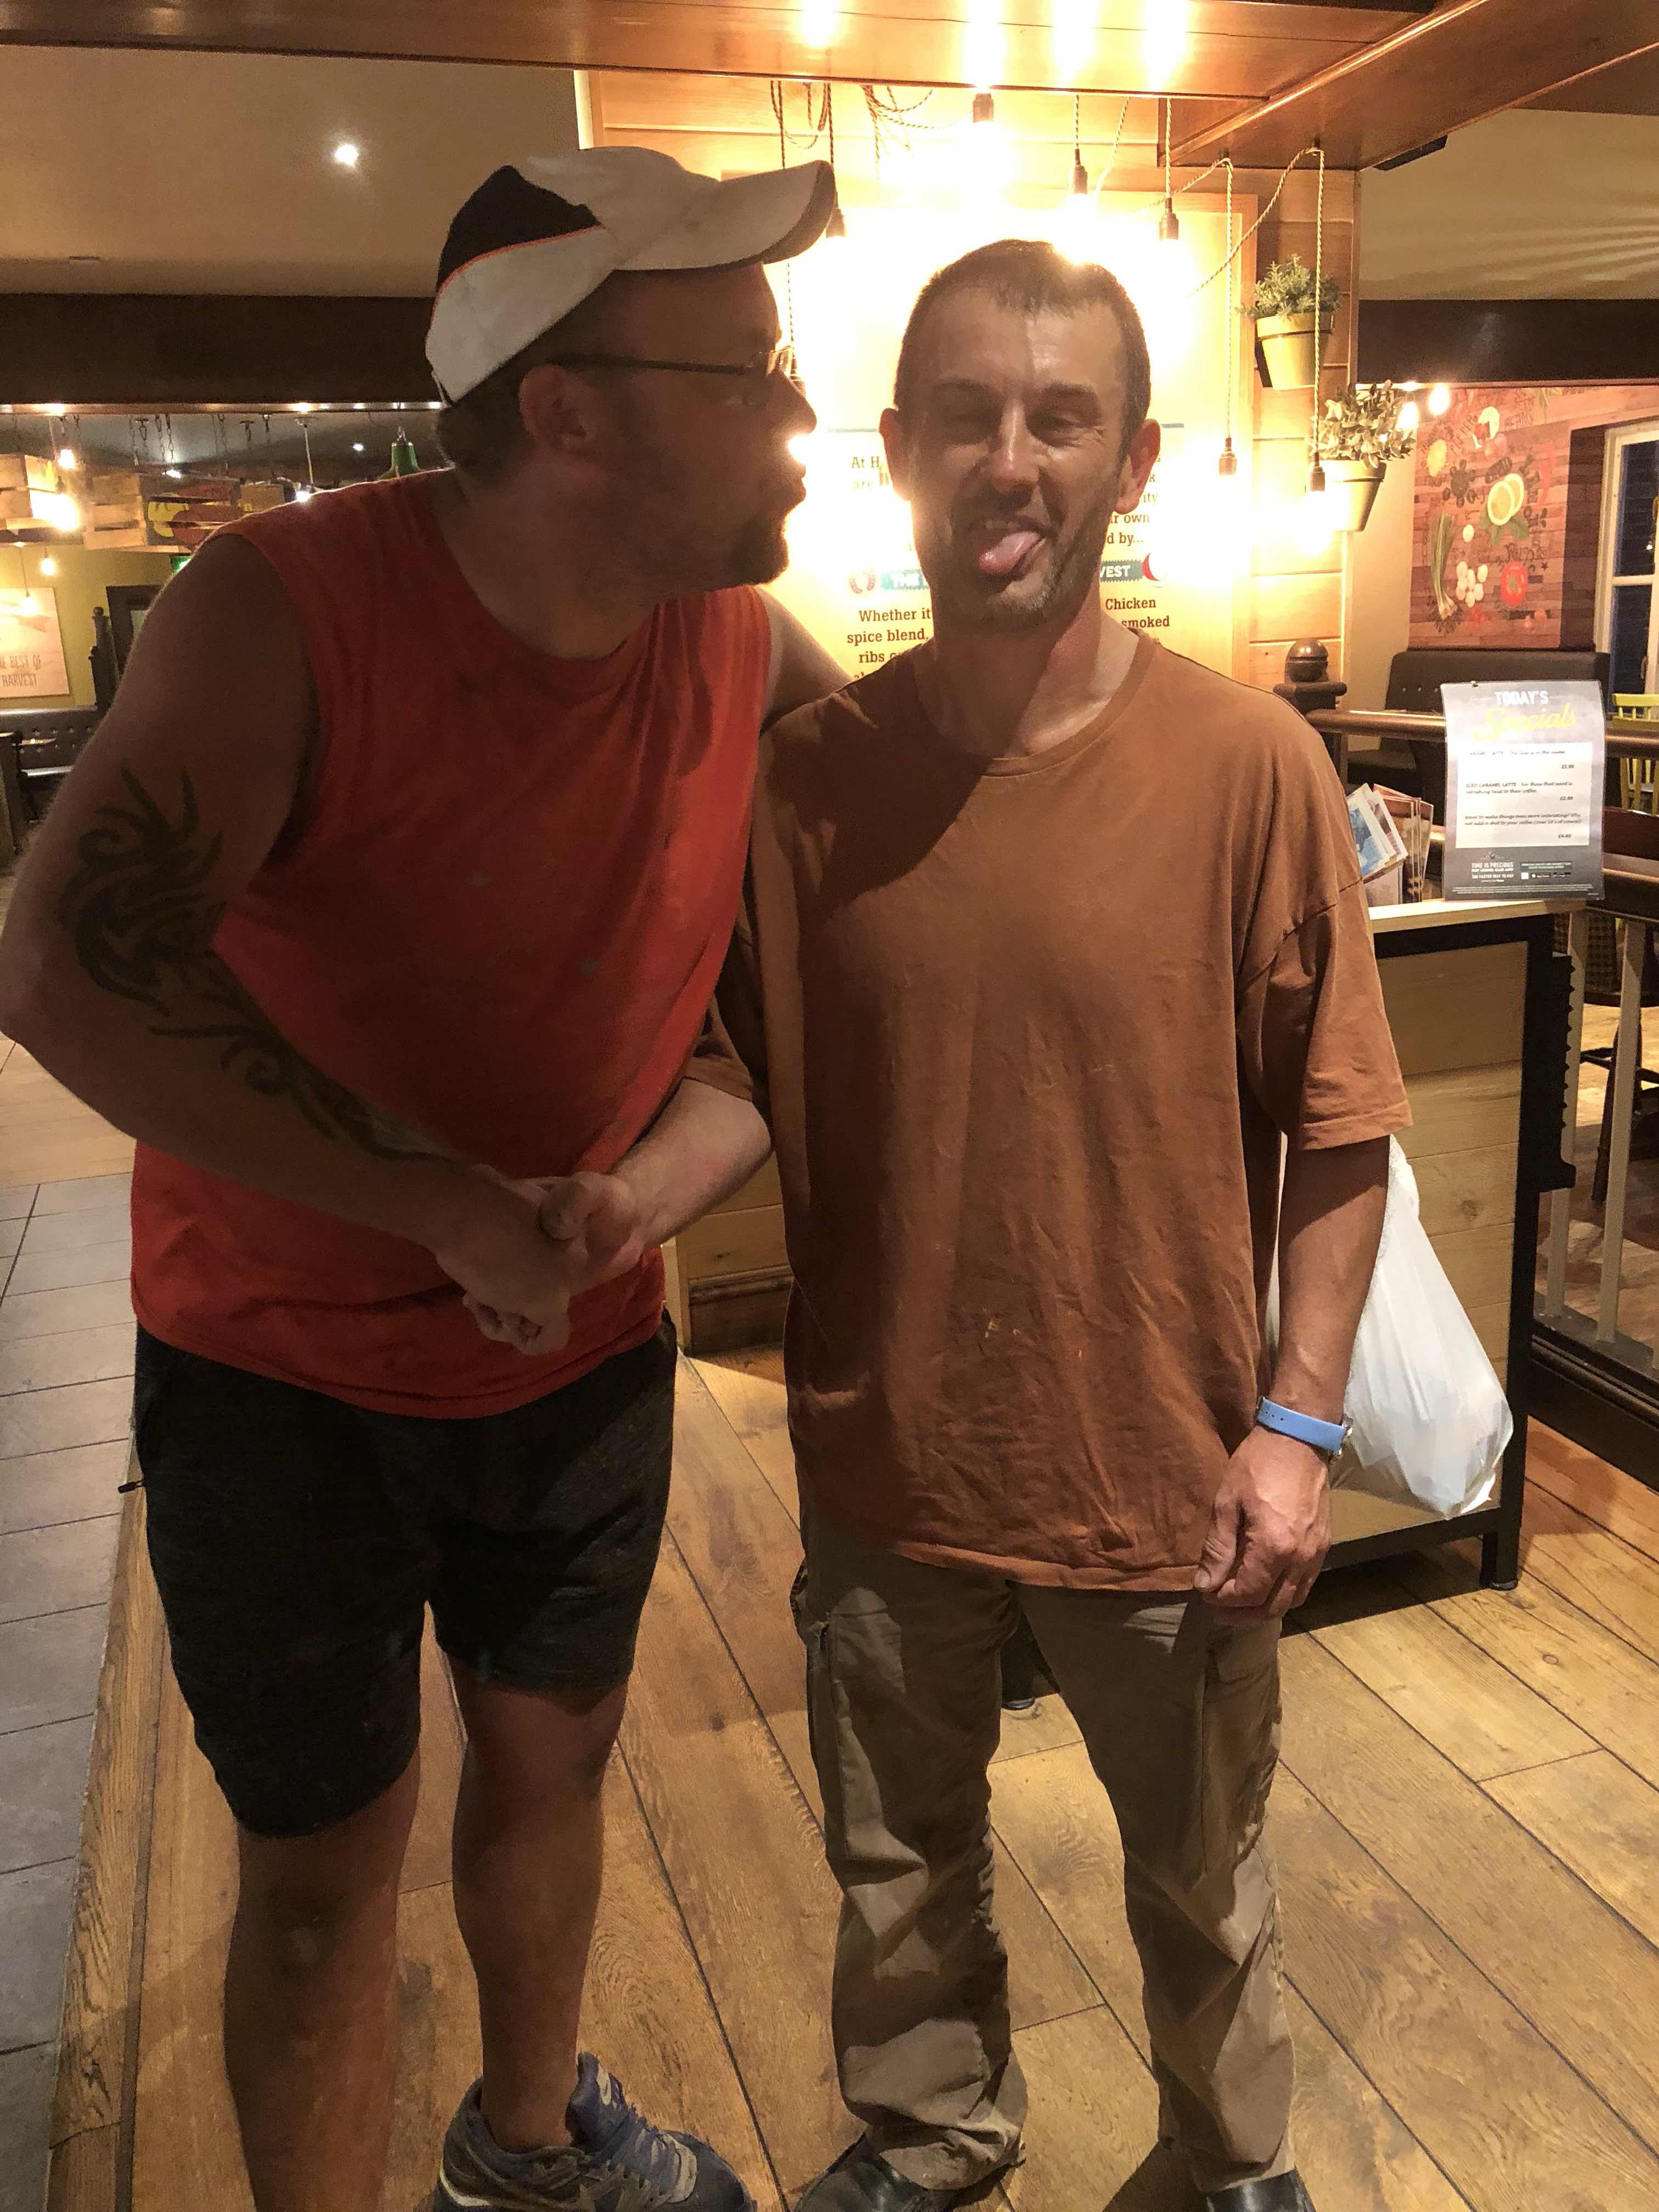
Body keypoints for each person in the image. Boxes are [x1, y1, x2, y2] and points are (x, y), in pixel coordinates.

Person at [0, 146, 845, 2212]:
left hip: (582, 1349)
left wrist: (632, 1196)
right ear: (568, 412)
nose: (803, 412)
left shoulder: (738, 636)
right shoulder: (282, 611)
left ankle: (527, 2148)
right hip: (277, 1369)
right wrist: (445, 1201)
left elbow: (916, 820)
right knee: (318, 1879)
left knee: (553, 1773)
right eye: (751, 369)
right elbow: (58, 966)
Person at [547, 238, 1407, 2212]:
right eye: (967, 417)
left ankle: (1230, 2167)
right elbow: (745, 1076)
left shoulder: (1251, 768)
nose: (1010, 460)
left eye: (1061, 419)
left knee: (1203, 1873)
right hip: (890, 1452)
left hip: (1169, 1465)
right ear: (899, 451)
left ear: (1135, 462)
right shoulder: (802, 785)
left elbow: (1345, 1119)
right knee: (896, 1864)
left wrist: (1296, 1426)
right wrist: (613, 1208)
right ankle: (933, 2139)